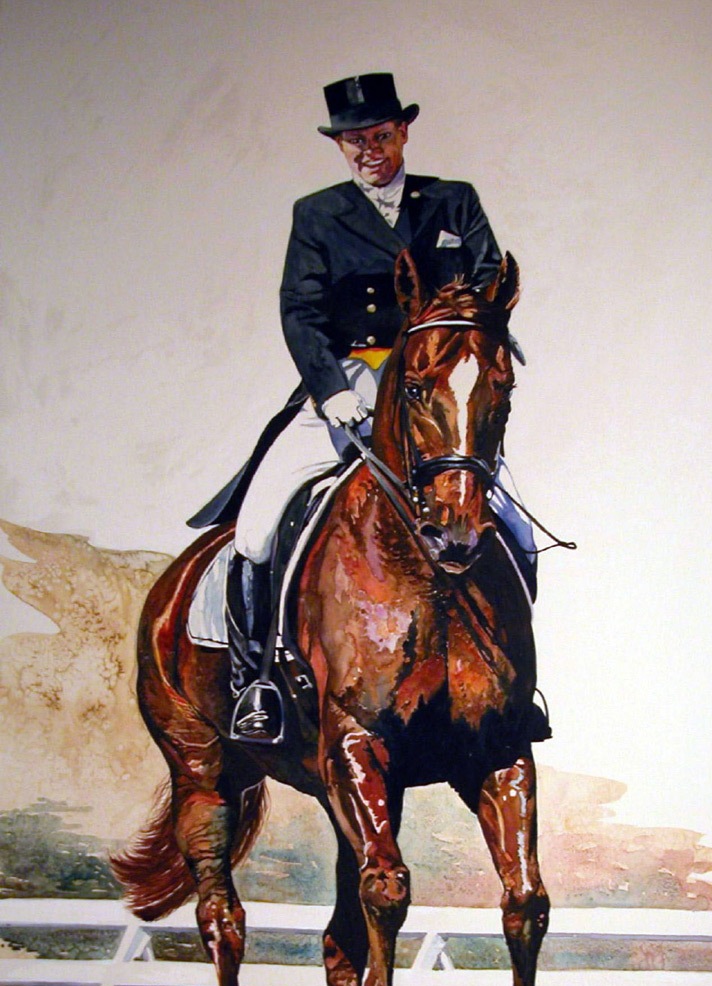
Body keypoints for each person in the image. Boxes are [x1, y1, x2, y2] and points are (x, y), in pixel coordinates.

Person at [189, 73, 536, 742]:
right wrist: (332, 389)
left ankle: (512, 678)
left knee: (515, 526)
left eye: (380, 136)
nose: (369, 151)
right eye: (355, 141)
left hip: (435, 387)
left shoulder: (453, 201)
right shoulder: (318, 214)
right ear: (341, 146)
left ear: (402, 132)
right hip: (348, 380)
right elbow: (300, 310)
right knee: (256, 528)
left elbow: (488, 285)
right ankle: (255, 681)